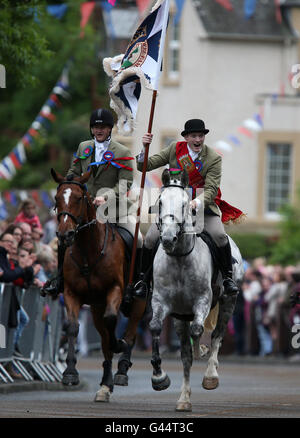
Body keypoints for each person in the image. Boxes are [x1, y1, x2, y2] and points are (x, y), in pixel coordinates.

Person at [134, 119, 244, 298]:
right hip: (173, 209)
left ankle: (227, 278)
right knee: (150, 239)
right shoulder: (174, 150)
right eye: (194, 136)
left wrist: (197, 202)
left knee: (220, 236)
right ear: (186, 137)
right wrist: (144, 148)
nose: (198, 139)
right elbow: (144, 166)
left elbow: (211, 189)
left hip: (202, 209)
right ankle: (143, 282)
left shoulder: (213, 158)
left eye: (201, 136)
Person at [42, 108, 143, 299]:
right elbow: (74, 171)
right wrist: (69, 182)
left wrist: (106, 197)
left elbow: (125, 182)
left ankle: (134, 284)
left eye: (103, 127)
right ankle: (59, 281)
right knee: (64, 237)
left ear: (110, 129)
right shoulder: (84, 147)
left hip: (115, 210)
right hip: (85, 211)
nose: (99, 130)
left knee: (138, 241)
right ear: (91, 129)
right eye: (96, 127)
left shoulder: (122, 151)